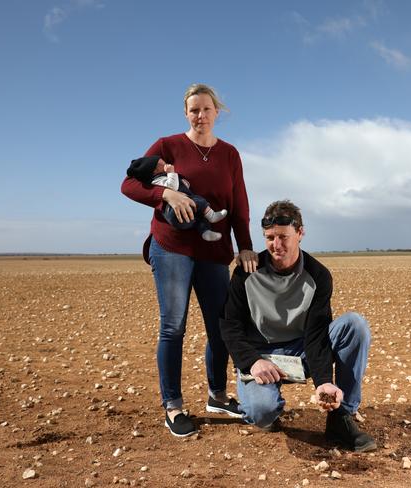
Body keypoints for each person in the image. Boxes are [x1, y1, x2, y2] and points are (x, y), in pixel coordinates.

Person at [121, 83, 258, 437]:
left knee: (221, 327)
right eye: (194, 109)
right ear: (186, 113)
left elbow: (239, 205)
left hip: (214, 251)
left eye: (206, 109)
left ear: (217, 112)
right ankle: (174, 406)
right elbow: (129, 184)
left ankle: (217, 396)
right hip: (172, 248)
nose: (200, 115)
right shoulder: (168, 146)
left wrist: (245, 246)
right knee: (173, 326)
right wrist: (164, 192)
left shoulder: (230, 154)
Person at [220, 200, 377, 452]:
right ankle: (269, 407)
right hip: (262, 358)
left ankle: (340, 419)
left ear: (300, 233)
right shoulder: (246, 273)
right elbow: (230, 326)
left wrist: (324, 383)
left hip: (301, 351)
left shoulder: (318, 275)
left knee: (354, 325)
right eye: (270, 237)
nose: (276, 245)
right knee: (261, 413)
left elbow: (316, 335)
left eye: (284, 236)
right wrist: (252, 361)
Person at [126, 156, 228, 241]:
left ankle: (205, 232)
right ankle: (212, 216)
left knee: (199, 218)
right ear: (155, 170)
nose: (166, 163)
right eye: (162, 162)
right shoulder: (157, 180)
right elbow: (172, 187)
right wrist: (171, 172)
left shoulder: (164, 176)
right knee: (198, 200)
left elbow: (180, 185)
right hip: (174, 212)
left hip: (183, 215)